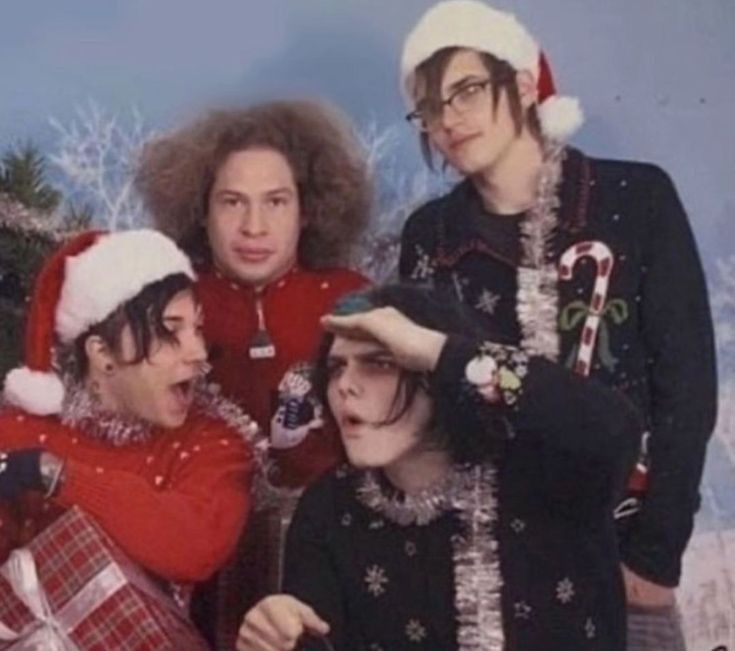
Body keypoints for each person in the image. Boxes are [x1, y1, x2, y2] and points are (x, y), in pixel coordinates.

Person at [396, 2, 717, 648]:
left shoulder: (635, 200)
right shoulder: (430, 237)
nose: (448, 119)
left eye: (466, 90)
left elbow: (686, 387)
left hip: (618, 558)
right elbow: (427, 410)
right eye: (430, 107)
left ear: (521, 84)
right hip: (488, 575)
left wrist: (655, 557)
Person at [236, 284, 642, 650]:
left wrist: (443, 352)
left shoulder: (546, 471)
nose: (344, 385)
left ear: (434, 373)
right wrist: (278, 635)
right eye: (336, 367)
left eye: (379, 363)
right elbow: (316, 637)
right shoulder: (329, 508)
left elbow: (616, 428)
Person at [136, 100, 371, 647]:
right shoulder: (165, 301)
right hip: (195, 556)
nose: (253, 226)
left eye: (276, 201)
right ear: (200, 209)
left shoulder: (353, 300)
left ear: (308, 210)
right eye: (232, 202)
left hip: (330, 554)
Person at [0, 229, 261, 602]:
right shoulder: (21, 430)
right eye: (170, 332)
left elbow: (194, 547)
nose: (199, 353)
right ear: (103, 355)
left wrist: (54, 474)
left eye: (198, 329)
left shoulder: (214, 444)